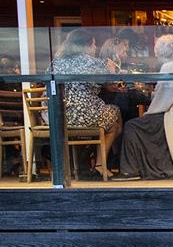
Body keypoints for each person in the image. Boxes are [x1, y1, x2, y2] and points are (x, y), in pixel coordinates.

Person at [51, 29, 122, 180]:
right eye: (94, 44)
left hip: (57, 115)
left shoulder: (56, 61)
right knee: (115, 114)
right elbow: (112, 81)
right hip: (83, 115)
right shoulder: (93, 62)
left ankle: (83, 164)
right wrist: (111, 68)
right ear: (87, 45)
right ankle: (100, 164)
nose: (95, 48)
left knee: (108, 120)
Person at [118, 34, 173, 181]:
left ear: (159, 52)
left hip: (168, 113)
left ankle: (130, 170)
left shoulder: (168, 67)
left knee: (131, 125)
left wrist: (150, 99)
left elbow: (161, 98)